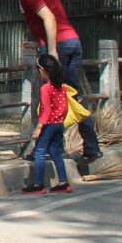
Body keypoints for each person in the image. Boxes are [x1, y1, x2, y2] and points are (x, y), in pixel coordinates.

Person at [0, 0, 102, 161]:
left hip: (59, 45)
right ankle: (91, 147)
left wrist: (52, 50)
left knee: (51, 98)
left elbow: (49, 17)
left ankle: (51, 149)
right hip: (72, 40)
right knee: (74, 96)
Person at [24, 51, 73, 193]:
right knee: (55, 152)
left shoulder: (45, 88)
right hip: (59, 124)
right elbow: (65, 107)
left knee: (39, 152)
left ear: (42, 71)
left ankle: (38, 184)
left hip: (49, 125)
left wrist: (39, 127)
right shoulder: (62, 87)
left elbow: (46, 110)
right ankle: (63, 182)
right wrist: (60, 120)